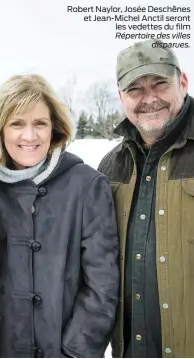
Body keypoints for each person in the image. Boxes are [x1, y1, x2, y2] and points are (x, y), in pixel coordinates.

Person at [0, 74, 119, 358]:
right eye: (17, 123)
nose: (30, 136)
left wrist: (75, 352)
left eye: (40, 123)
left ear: (55, 128)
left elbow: (102, 287)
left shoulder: (86, 186)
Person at [98, 39, 194, 358]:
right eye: (135, 89)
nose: (149, 99)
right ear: (121, 96)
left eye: (159, 84)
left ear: (182, 82)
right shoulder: (111, 167)